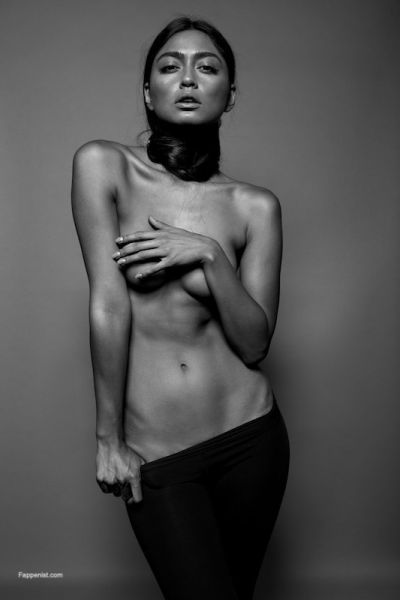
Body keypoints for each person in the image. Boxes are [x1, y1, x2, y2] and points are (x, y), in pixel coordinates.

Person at [71, 16, 290, 600]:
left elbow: (254, 343)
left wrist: (210, 255)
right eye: (170, 66)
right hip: (160, 452)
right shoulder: (103, 166)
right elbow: (108, 305)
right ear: (148, 92)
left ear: (229, 95)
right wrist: (108, 438)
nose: (188, 78)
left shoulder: (255, 206)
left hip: (252, 440)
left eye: (206, 67)